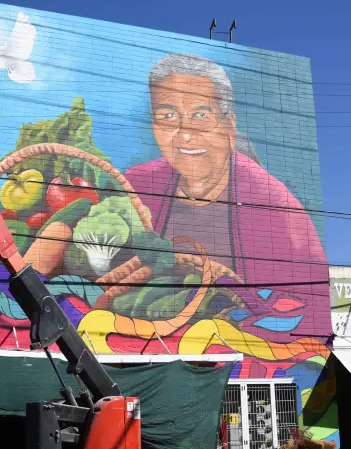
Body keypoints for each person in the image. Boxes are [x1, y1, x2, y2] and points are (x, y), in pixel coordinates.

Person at [123, 54, 330, 335]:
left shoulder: (274, 207)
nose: (184, 134)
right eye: (168, 116)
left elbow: (307, 306)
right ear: (154, 126)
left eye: (201, 115)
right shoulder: (137, 186)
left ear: (229, 127)